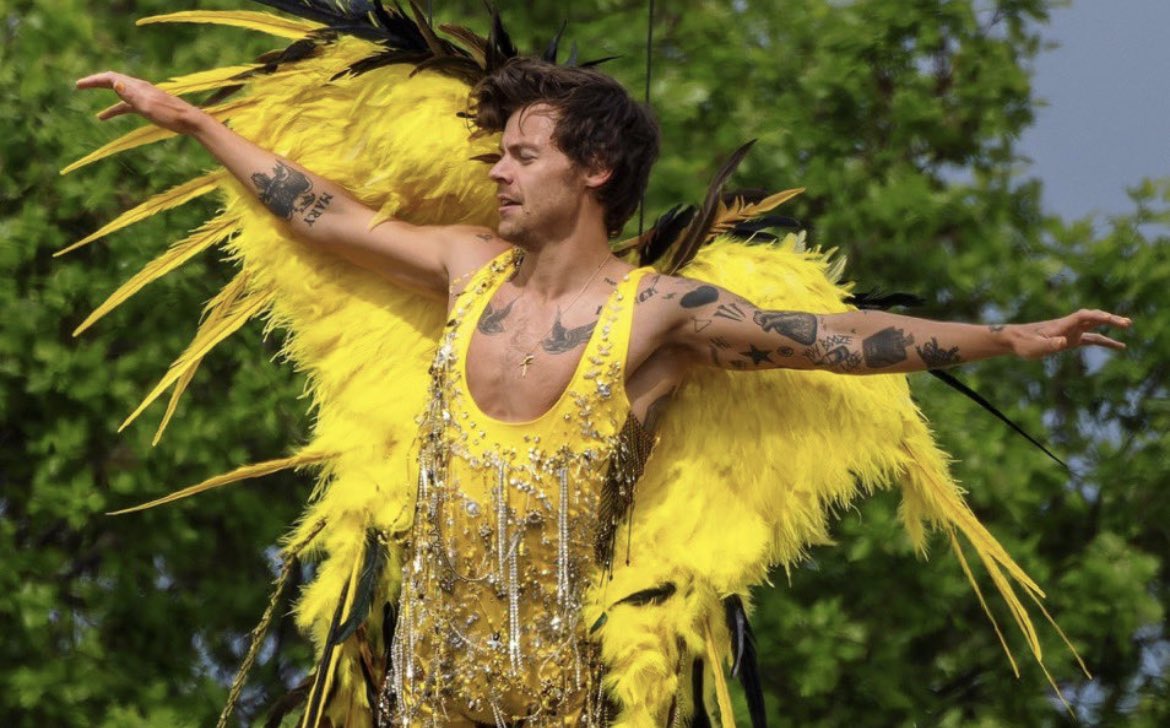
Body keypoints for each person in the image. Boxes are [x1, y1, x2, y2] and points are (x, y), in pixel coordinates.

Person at [76, 58, 1130, 726]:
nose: (498, 172)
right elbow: (325, 215)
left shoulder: (658, 316)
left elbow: (832, 341)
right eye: (499, 155)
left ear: (593, 169)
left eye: (521, 155)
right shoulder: (463, 266)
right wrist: (194, 122)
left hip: (568, 704)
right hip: (417, 696)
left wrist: (1004, 337)